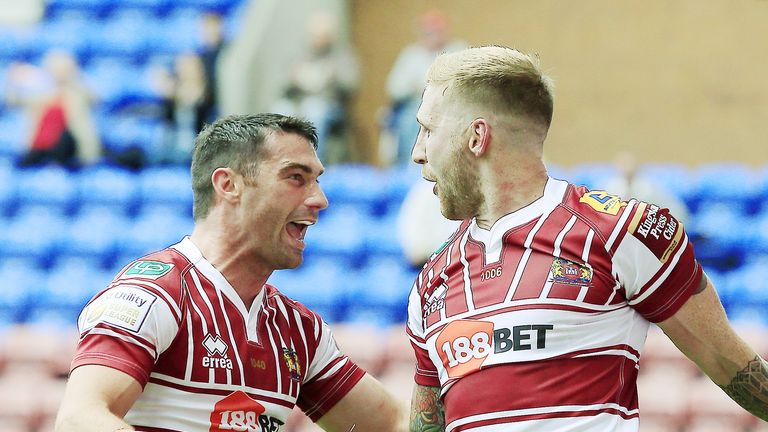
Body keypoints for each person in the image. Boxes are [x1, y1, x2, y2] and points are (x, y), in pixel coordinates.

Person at [405, 46, 767, 431]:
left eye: (427, 129)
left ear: (477, 137)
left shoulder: (620, 233)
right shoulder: (432, 280)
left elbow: (732, 363)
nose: (417, 152)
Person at [55, 114, 406, 432]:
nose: (320, 199)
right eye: (296, 178)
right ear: (228, 185)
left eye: (316, 181)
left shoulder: (299, 331)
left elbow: (392, 424)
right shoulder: (154, 294)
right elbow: (79, 420)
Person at [272, 11, 359, 164]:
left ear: (331, 36)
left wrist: (335, 76)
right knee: (280, 109)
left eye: (323, 35)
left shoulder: (341, 56)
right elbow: (280, 86)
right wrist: (293, 79)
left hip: (330, 106)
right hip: (297, 102)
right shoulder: (300, 55)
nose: (319, 39)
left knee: (314, 110)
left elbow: (352, 86)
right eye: (315, 35)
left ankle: (313, 161)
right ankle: (279, 159)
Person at [383, 9, 466, 166]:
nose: (433, 36)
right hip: (415, 104)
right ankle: (408, 167)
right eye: (429, 32)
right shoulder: (411, 54)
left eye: (437, 32)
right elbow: (394, 88)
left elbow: (465, 83)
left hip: (449, 105)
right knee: (411, 119)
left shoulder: (458, 49)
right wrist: (413, 87)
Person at [6, 49, 101, 167]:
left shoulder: (78, 94)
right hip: (39, 147)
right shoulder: (40, 94)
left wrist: (75, 80)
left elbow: (96, 100)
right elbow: (14, 102)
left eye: (63, 69)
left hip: (66, 150)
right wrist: (14, 81)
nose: (58, 73)